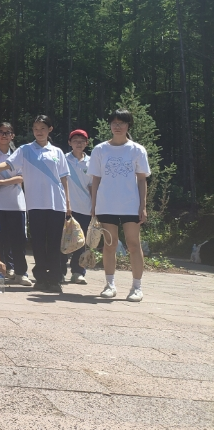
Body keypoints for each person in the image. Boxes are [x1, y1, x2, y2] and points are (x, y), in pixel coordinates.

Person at [0, 115, 71, 293]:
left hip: (57, 204)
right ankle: (41, 278)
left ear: (50, 130)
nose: (39, 132)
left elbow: (64, 178)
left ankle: (55, 279)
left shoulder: (57, 152)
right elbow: (7, 164)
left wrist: (68, 203)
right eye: (35, 128)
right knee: (38, 242)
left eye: (42, 128)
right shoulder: (25, 150)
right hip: (35, 203)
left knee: (54, 242)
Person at [90, 109, 151, 302]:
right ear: (110, 125)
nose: (117, 126)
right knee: (110, 244)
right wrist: (94, 205)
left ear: (128, 125)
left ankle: (137, 287)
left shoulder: (137, 150)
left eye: (122, 123)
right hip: (106, 204)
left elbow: (142, 180)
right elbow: (96, 179)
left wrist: (143, 206)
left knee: (134, 244)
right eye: (114, 123)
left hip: (130, 205)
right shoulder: (100, 149)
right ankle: (110, 285)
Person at [0, 121, 32, 286]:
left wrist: (1, 182)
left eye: (7, 132)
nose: (4, 135)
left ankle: (20, 273)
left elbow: (21, 177)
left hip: (15, 203)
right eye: (1, 132)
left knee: (18, 240)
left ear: (12, 136)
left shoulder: (18, 154)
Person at [64, 129, 93, 285]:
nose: (79, 143)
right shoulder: (63, 159)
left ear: (86, 143)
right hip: (66, 207)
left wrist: (94, 206)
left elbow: (92, 186)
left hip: (85, 208)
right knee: (64, 240)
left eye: (82, 141)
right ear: (70, 143)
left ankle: (78, 272)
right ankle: (60, 271)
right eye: (75, 140)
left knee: (82, 242)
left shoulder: (91, 162)